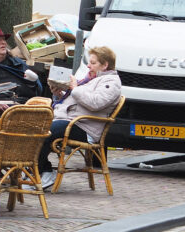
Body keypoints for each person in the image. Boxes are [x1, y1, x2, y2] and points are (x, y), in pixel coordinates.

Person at [38, 46, 122, 189]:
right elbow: (76, 100)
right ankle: (35, 171)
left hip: (85, 128)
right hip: (71, 121)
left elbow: (95, 103)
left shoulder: (111, 83)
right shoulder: (91, 79)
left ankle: (44, 172)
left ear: (105, 65)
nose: (89, 66)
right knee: (33, 127)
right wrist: (58, 93)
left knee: (44, 132)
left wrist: (75, 88)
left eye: (93, 63)